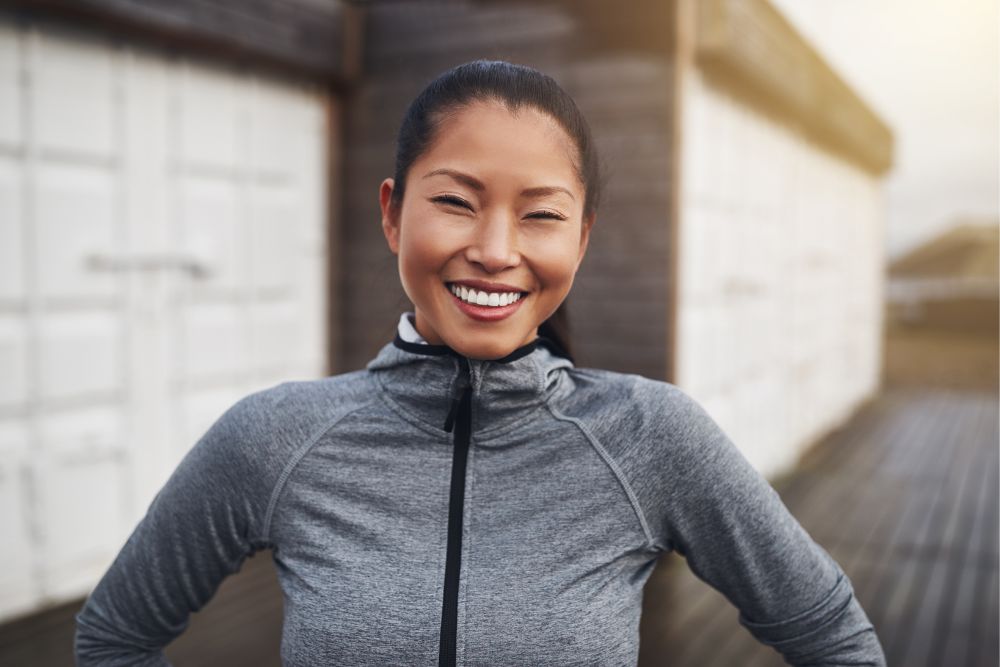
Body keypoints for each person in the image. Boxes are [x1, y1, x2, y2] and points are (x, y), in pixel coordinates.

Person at [74, 59, 886, 666]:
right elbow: (115, 632)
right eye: (456, 201)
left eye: (540, 215)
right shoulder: (274, 437)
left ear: (582, 236)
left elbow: (829, 632)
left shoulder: (651, 435)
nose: (495, 251)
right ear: (393, 214)